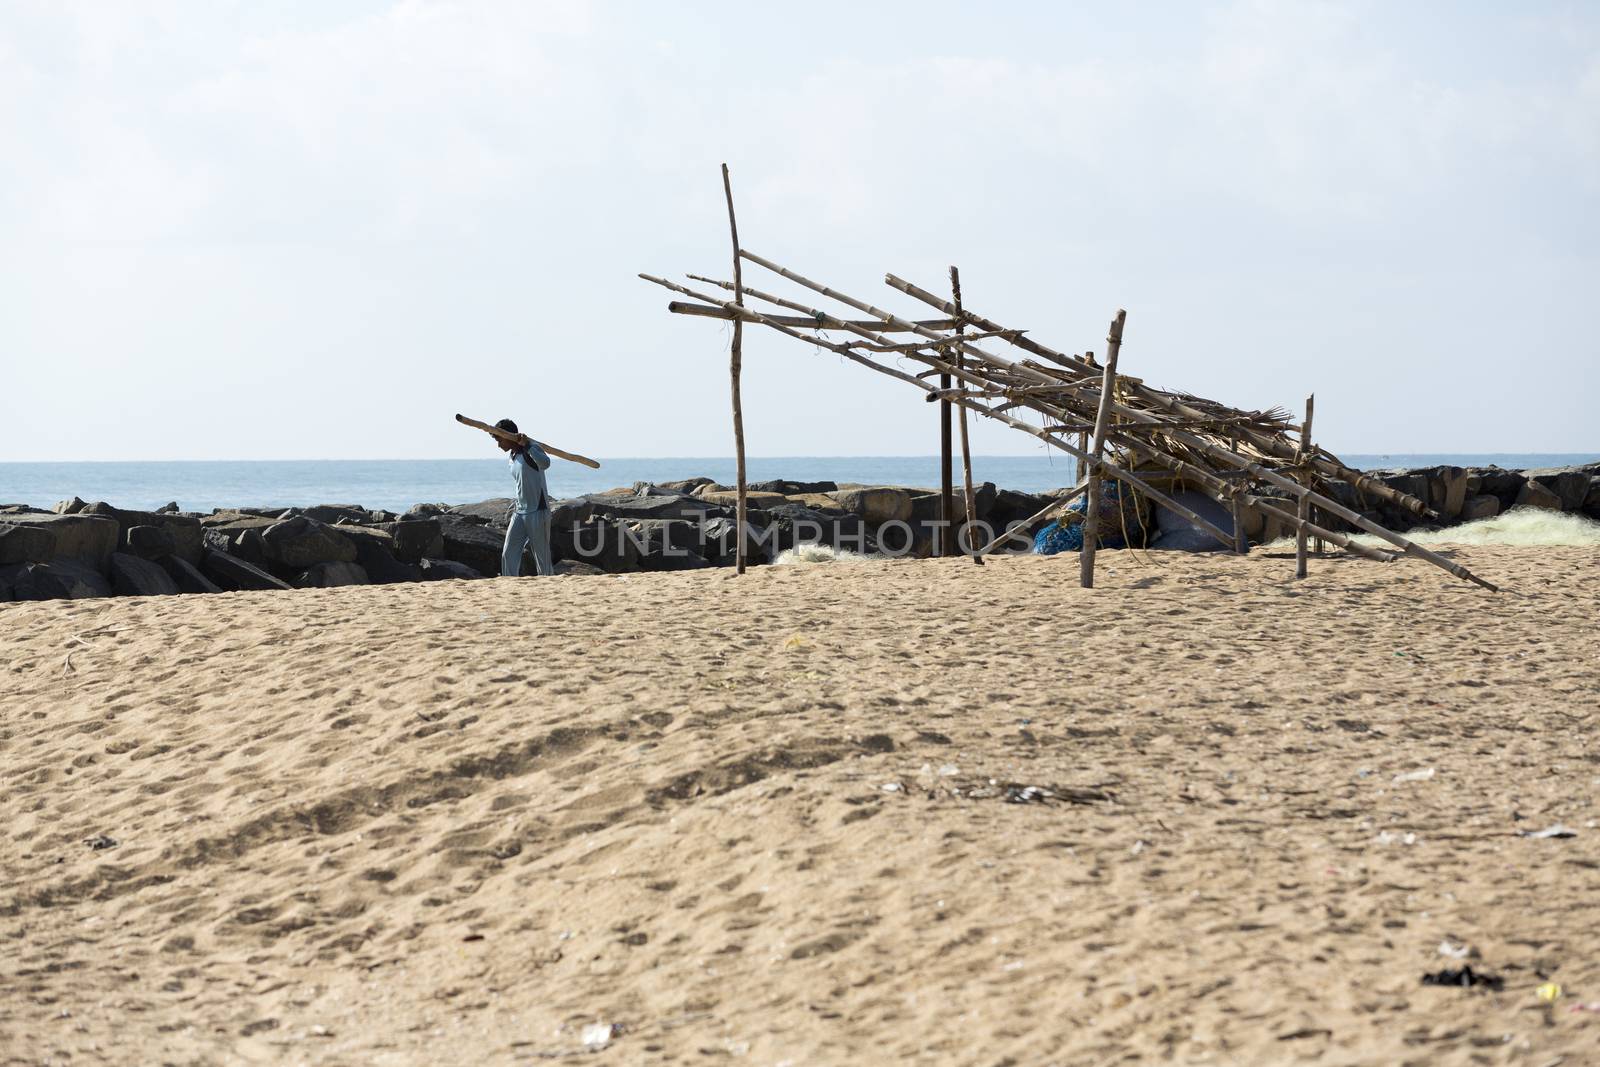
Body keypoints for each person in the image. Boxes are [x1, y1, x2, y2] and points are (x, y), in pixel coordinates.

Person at [493, 418, 554, 576]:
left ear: (507, 436)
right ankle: (509, 585)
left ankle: (548, 587)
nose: (498, 444)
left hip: (538, 511)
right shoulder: (511, 456)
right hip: (520, 512)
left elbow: (545, 463)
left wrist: (527, 445)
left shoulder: (532, 448)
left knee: (542, 559)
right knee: (508, 554)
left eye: (499, 439)